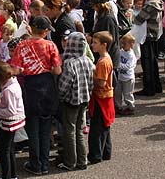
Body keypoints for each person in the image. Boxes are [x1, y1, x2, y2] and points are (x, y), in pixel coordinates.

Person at [11, 16, 62, 176]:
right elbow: (57, 70)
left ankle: (35, 163)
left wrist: (27, 69)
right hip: (47, 85)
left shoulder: (21, 46)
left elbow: (16, 69)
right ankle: (45, 163)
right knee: (46, 129)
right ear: (45, 31)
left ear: (31, 28)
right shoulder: (51, 45)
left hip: (30, 86)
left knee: (32, 128)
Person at [57, 32, 94, 171]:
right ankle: (82, 160)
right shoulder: (88, 60)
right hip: (85, 100)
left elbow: (64, 85)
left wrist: (60, 96)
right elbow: (91, 82)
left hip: (71, 101)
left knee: (69, 131)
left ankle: (70, 162)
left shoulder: (69, 63)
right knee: (79, 131)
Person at [0, 61, 25, 179]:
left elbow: (10, 111)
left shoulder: (8, 90)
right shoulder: (14, 84)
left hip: (9, 123)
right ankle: (13, 176)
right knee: (10, 150)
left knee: (4, 152)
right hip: (16, 122)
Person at [87, 31, 115, 164]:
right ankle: (105, 152)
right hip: (105, 97)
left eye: (95, 43)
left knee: (97, 129)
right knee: (105, 127)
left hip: (101, 97)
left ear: (104, 45)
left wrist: (92, 73)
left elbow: (101, 82)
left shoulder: (103, 62)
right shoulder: (106, 59)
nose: (92, 45)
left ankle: (95, 155)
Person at [133, 0, 163, 96]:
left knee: (148, 63)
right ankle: (156, 86)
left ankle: (149, 89)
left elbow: (138, 19)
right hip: (155, 35)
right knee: (153, 62)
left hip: (148, 36)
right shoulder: (157, 0)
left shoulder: (150, 4)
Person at [116, 33, 137, 115]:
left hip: (128, 78)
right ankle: (118, 106)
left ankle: (130, 107)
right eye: (122, 43)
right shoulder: (121, 52)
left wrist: (118, 65)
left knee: (128, 94)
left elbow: (128, 66)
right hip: (120, 76)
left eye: (125, 44)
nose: (123, 45)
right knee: (117, 93)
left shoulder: (131, 55)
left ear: (131, 45)